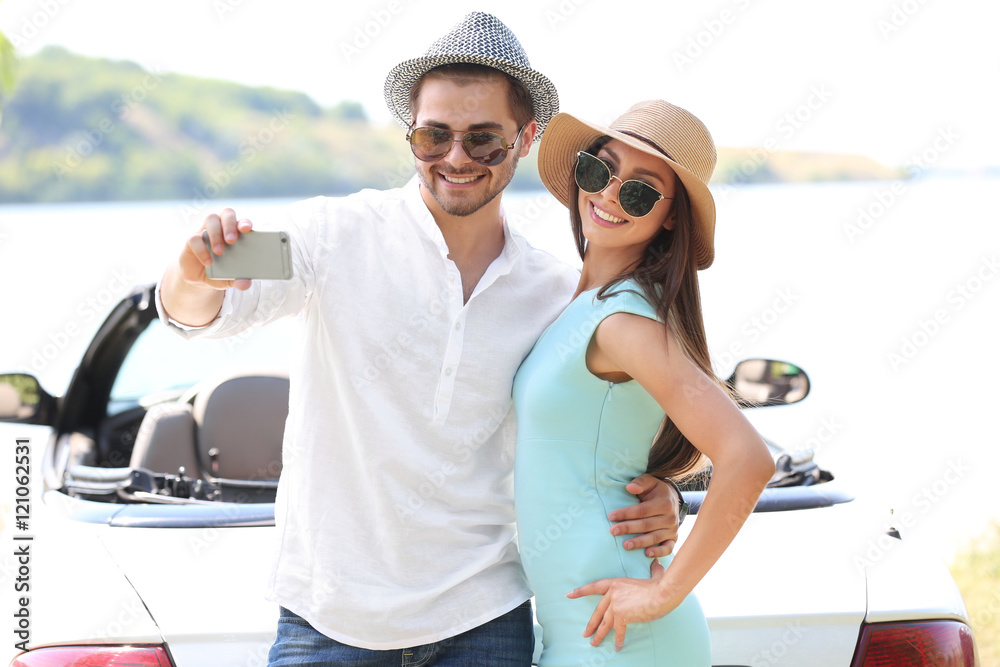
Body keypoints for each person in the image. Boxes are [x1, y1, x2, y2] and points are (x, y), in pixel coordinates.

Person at [157, 13, 685, 666]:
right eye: (434, 136)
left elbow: (620, 426)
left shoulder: (556, 293)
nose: (456, 158)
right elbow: (195, 303)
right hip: (326, 621)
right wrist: (193, 269)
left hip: (484, 620)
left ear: (526, 138)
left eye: (483, 139)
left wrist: (671, 492)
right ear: (411, 135)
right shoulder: (331, 234)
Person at [512, 101, 776, 664]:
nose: (608, 195)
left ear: (671, 217)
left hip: (623, 636)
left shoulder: (623, 323)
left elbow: (747, 458)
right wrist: (668, 492)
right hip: (578, 628)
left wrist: (663, 593)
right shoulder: (583, 306)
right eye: (598, 170)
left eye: (639, 192)